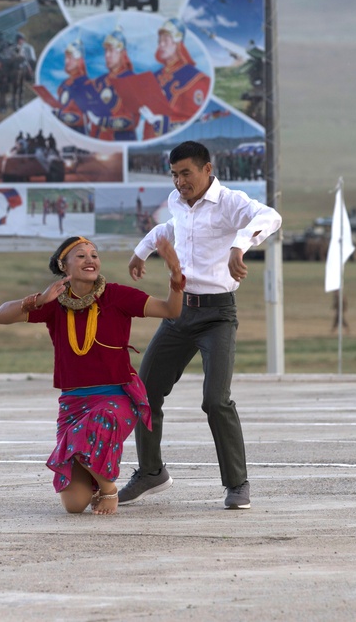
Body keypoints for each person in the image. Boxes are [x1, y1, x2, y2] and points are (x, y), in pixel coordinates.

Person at [119, 140, 282, 510]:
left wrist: (238, 247)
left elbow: (271, 217)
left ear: (208, 169)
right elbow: (171, 228)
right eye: (174, 175)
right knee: (144, 393)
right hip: (179, 313)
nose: (179, 182)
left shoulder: (230, 202)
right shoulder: (179, 202)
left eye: (186, 173)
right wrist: (141, 251)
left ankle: (237, 484)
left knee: (215, 400)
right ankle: (150, 472)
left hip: (217, 315)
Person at [0, 235, 185, 515]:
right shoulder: (54, 301)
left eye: (94, 255)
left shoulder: (117, 295)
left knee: (97, 422)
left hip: (116, 399)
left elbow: (171, 310)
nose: (90, 260)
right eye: (81, 255)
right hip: (73, 403)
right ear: (64, 265)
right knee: (74, 505)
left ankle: (109, 489)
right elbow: (0, 315)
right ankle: (95, 474)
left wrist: (176, 277)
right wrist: (37, 300)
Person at [140, 18, 211, 138]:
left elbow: (194, 122)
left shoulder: (195, 79)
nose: (161, 45)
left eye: (166, 40)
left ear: (177, 43)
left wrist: (162, 122)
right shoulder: (154, 77)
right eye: (159, 41)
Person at [87, 26, 139, 141]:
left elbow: (131, 121)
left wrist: (102, 121)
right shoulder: (99, 81)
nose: (107, 55)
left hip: (121, 143)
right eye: (106, 51)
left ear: (122, 53)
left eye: (111, 50)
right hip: (98, 142)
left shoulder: (131, 80)